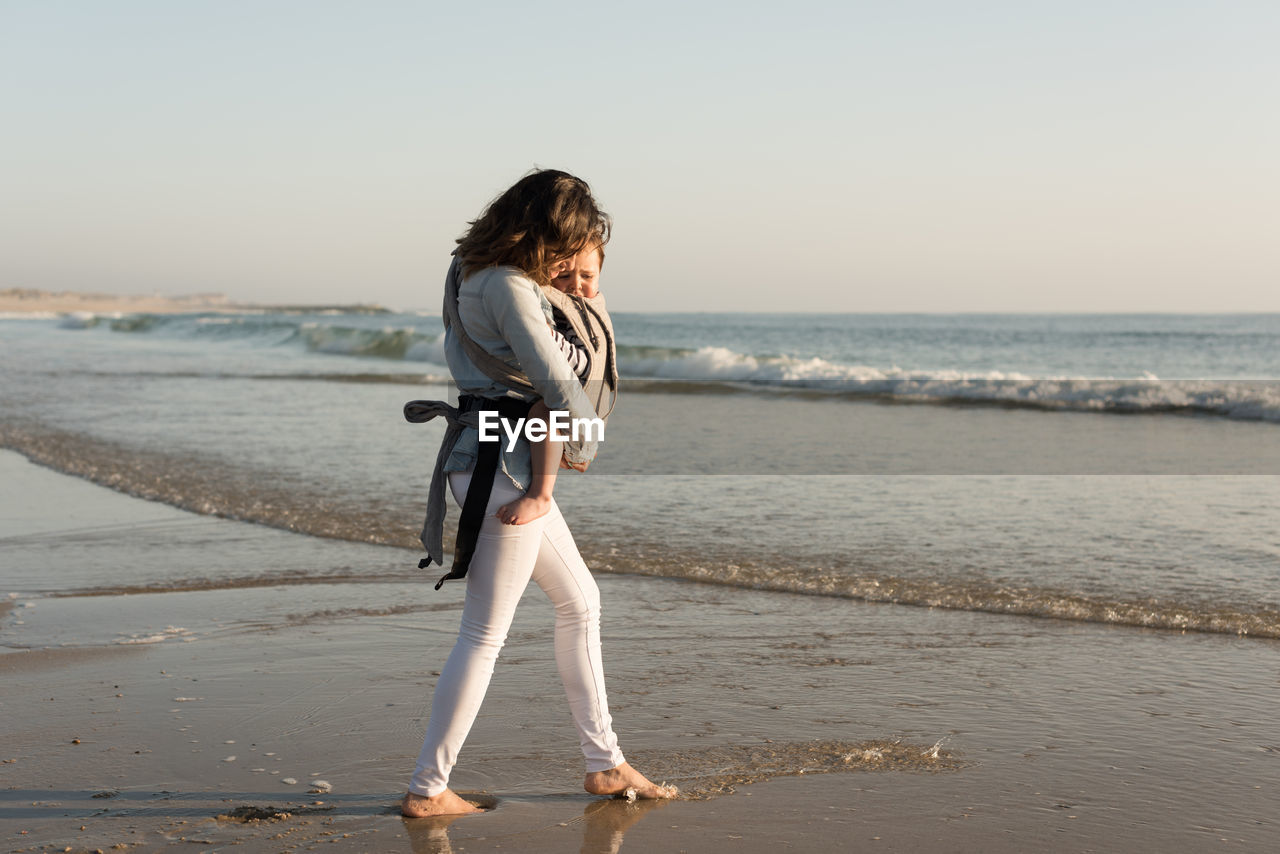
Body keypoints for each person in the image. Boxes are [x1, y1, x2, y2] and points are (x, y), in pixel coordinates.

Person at [402, 170, 675, 818]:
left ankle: (604, 764)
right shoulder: (509, 286)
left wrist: (586, 291)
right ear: (547, 231)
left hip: (491, 457)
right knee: (483, 634)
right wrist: (582, 446)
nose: (568, 261)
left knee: (581, 602)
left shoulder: (467, 268)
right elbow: (559, 384)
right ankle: (427, 788)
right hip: (509, 471)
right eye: (568, 244)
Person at [496, 241, 603, 526]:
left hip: (574, 401)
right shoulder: (555, 304)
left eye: (587, 276)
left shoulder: (586, 316)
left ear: (600, 275)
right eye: (564, 275)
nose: (576, 285)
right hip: (559, 398)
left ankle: (540, 495)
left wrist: (543, 335)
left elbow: (585, 361)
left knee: (543, 414)